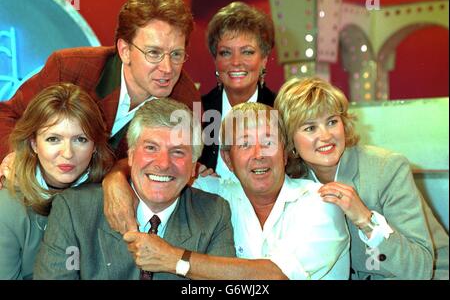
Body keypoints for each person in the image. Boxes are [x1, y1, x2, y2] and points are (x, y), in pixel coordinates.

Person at [99, 102, 350, 279]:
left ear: (285, 152)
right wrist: (115, 177)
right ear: (228, 160)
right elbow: (162, 171)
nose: (258, 155)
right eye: (244, 144)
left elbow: (277, 276)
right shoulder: (216, 194)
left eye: (268, 142)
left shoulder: (320, 203)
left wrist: (176, 259)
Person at [33, 98, 235, 280]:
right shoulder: (74, 209)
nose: (163, 163)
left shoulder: (214, 213)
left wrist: (178, 261)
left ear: (193, 166)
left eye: (178, 152)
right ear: (129, 156)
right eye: (151, 148)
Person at [274, 76, 449, 280]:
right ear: (289, 139)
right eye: (310, 128)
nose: (326, 136)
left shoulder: (387, 169)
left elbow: (420, 270)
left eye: (332, 122)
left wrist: (366, 220)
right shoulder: (293, 181)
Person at [0, 0, 200, 164]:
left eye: (176, 54)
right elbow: (8, 117)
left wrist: (119, 175)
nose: (167, 68)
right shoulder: (70, 68)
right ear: (125, 50)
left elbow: (167, 166)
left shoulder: (185, 99)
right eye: (153, 53)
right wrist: (17, 160)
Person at [0, 83, 115, 280]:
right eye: (53, 139)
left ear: (95, 145)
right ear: (34, 143)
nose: (68, 154)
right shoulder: (8, 208)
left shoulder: (110, 196)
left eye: (80, 139)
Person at [199, 2, 277, 178]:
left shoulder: (281, 110)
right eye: (226, 53)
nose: (236, 62)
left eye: (247, 52)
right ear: (215, 60)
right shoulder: (197, 110)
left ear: (264, 59)